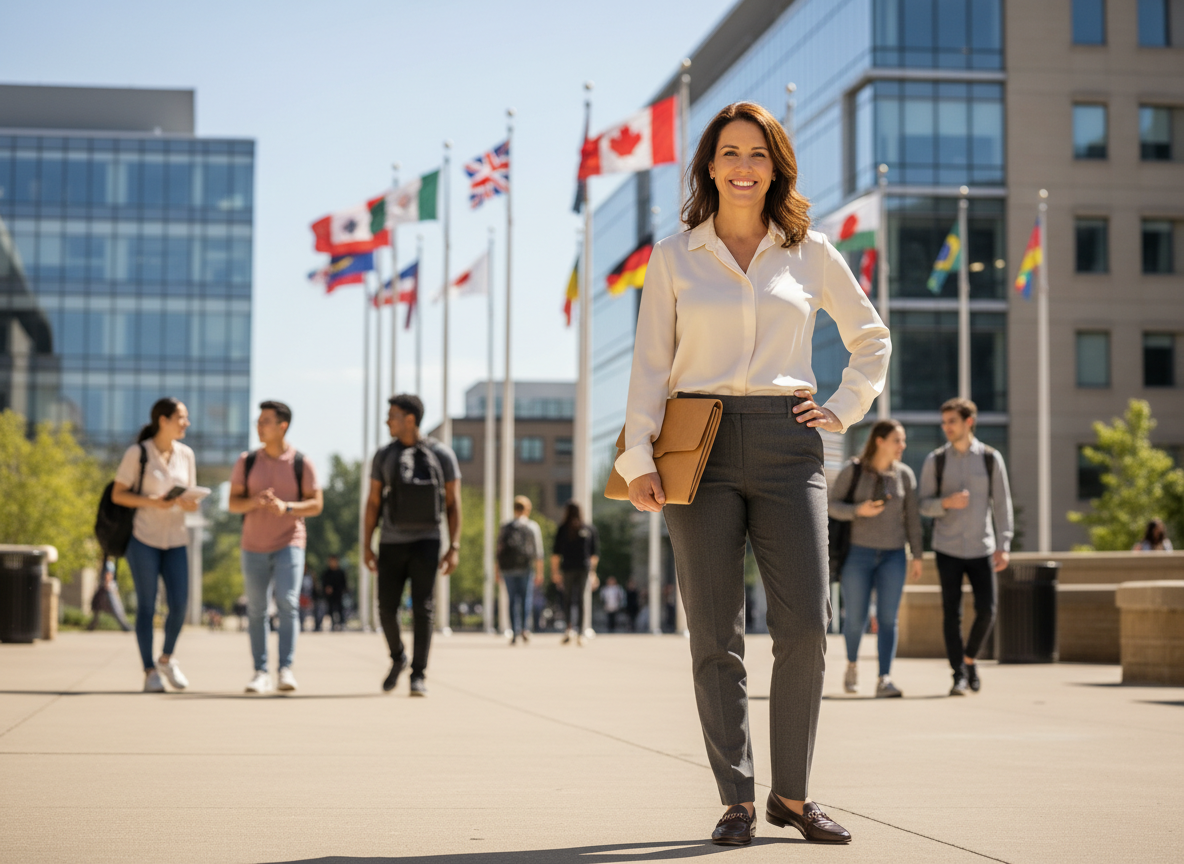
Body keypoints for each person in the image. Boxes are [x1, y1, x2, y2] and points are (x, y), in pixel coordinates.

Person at [618, 102, 889, 845]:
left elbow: (870, 338)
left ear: (777, 167)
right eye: (730, 152)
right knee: (715, 631)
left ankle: (793, 798)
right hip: (694, 442)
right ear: (709, 165)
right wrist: (637, 457)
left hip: (787, 440)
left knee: (805, 623)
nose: (743, 166)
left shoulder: (811, 253)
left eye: (758, 154)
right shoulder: (675, 256)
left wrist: (842, 407)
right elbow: (650, 364)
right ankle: (737, 797)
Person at [364, 394, 462, 697]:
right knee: (386, 609)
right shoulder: (383, 456)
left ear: (410, 419)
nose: (387, 421)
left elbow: (453, 503)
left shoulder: (442, 454)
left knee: (424, 608)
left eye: (391, 415)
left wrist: (454, 546)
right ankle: (398, 657)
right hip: (391, 542)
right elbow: (373, 502)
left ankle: (418, 674)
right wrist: (367, 544)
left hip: (427, 541)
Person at [919, 397, 1013, 697]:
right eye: (944, 422)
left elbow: (1002, 503)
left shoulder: (990, 458)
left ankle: (970, 658)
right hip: (946, 547)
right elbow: (923, 504)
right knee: (952, 614)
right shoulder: (936, 460)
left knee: (988, 610)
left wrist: (1004, 543)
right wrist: (946, 502)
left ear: (968, 422)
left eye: (952, 422)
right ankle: (958, 674)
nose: (946, 427)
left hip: (981, 547)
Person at [228, 401, 323, 694]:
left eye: (265, 421)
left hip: (289, 542)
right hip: (253, 545)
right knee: (256, 609)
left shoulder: (301, 463)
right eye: (258, 421)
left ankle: (285, 669)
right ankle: (260, 671)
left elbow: (317, 504)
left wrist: (288, 507)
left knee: (288, 603)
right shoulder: (247, 461)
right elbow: (232, 503)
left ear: (283, 426)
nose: (259, 426)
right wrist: (255, 502)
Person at [828, 419, 924, 698]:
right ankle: (852, 664)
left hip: (894, 555)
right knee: (855, 618)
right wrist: (859, 510)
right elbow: (832, 506)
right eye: (898, 440)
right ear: (880, 441)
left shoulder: (904, 475)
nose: (902, 446)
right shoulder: (853, 471)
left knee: (888, 618)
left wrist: (917, 555)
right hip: (857, 554)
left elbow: (913, 521)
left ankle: (884, 678)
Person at [111, 397, 199, 692]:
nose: (186, 423)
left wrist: (188, 505)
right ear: (163, 420)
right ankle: (149, 671)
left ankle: (166, 658)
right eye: (181, 417)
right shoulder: (138, 453)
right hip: (143, 538)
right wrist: (153, 502)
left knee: (178, 604)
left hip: (175, 539)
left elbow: (191, 499)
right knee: (147, 606)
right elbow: (118, 494)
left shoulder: (186, 454)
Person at [495, 495, 544, 645]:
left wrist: (497, 571)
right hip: (525, 568)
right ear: (527, 509)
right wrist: (540, 572)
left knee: (512, 601)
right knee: (525, 599)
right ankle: (524, 630)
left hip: (508, 568)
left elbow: (498, 551)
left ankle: (514, 632)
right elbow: (538, 553)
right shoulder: (532, 527)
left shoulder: (505, 527)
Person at [550, 501, 599, 646]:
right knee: (581, 600)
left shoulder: (562, 529)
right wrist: (593, 573)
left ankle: (568, 629)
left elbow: (555, 554)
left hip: (567, 568)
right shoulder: (589, 529)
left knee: (567, 599)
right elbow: (594, 555)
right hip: (583, 568)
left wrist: (555, 572)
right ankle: (580, 632)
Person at [89, 558, 132, 632]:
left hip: (107, 589)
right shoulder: (107, 564)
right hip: (106, 589)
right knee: (113, 610)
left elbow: (108, 575)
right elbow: (108, 575)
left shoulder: (108, 565)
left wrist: (108, 586)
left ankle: (125, 626)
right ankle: (91, 626)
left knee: (116, 610)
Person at [320, 555, 348, 630]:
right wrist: (327, 588)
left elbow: (344, 584)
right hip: (330, 596)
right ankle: (332, 624)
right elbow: (323, 583)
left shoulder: (341, 573)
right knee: (330, 609)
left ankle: (342, 623)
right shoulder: (326, 573)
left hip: (338, 594)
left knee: (340, 609)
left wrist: (341, 590)